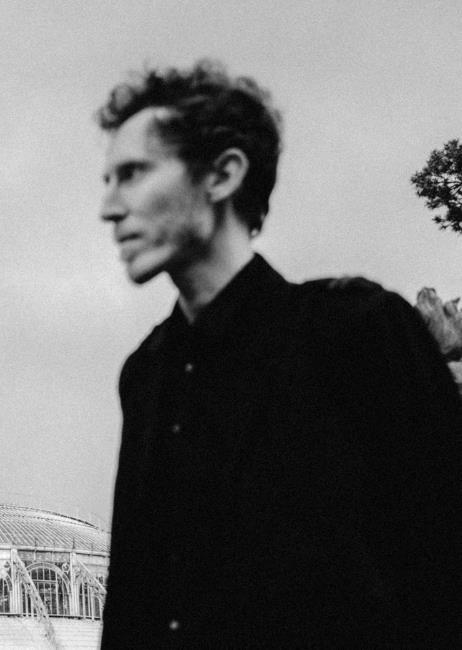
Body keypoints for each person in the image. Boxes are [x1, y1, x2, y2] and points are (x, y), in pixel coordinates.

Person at [97, 60, 462, 647]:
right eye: (108, 180)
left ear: (223, 175)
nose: (109, 208)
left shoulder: (357, 330)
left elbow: (443, 558)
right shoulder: (145, 374)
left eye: (134, 174)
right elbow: (136, 597)